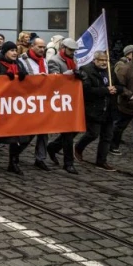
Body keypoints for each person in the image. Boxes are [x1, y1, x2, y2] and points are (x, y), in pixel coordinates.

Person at [0, 41, 29, 175]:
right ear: (5, 52)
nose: (14, 53)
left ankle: (13, 163)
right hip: (1, 106)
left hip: (15, 106)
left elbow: (27, 81)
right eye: (11, 50)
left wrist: (24, 76)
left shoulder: (19, 64)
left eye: (15, 50)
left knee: (16, 137)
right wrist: (2, 79)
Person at [74, 51, 119, 171]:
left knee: (107, 136)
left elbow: (119, 85)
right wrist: (105, 90)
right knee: (93, 133)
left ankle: (101, 161)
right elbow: (86, 90)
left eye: (106, 60)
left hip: (109, 108)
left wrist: (116, 89)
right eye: (101, 60)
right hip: (94, 109)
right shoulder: (87, 70)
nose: (104, 63)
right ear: (95, 60)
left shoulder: (110, 70)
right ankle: (78, 147)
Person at [47, 38, 81, 174]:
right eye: (70, 50)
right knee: (68, 131)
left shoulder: (73, 61)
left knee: (75, 130)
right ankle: (68, 163)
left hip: (72, 98)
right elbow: (54, 80)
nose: (72, 52)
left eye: (74, 50)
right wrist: (66, 75)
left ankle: (54, 147)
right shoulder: (54, 60)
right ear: (63, 48)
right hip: (60, 99)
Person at [18, 37, 51, 171]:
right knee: (29, 132)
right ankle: (16, 152)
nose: (42, 50)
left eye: (43, 47)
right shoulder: (22, 60)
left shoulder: (44, 61)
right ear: (32, 46)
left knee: (44, 132)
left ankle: (40, 158)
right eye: (39, 47)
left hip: (43, 100)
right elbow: (22, 80)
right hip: (29, 101)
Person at [113, 45, 133, 149]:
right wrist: (127, 94)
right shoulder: (121, 65)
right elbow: (119, 82)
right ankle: (114, 141)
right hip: (126, 98)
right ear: (129, 54)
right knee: (121, 122)